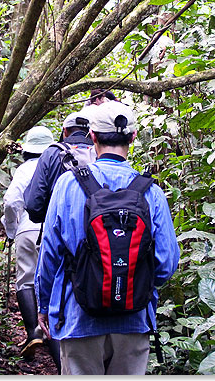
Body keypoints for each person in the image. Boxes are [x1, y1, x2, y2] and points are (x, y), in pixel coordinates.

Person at [34, 101, 180, 375]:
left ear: (92, 137)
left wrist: (44, 306)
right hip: (134, 320)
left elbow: (50, 253)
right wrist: (134, 283)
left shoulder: (68, 184)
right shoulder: (151, 192)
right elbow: (167, 262)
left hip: (79, 317)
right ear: (133, 138)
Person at [1, 125, 61, 371]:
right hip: (56, 230)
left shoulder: (24, 169)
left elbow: (11, 201)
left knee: (26, 279)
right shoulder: (60, 166)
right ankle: (58, 343)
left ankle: (33, 331)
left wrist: (11, 229)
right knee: (57, 282)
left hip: (27, 228)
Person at [24, 104, 98, 225]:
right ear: (91, 132)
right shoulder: (100, 153)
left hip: (58, 229)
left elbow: (34, 205)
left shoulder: (52, 153)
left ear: (65, 131)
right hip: (96, 231)